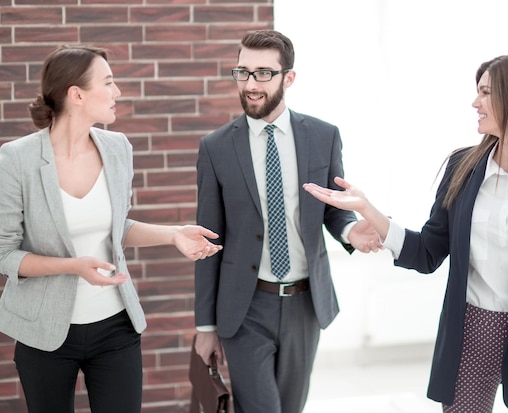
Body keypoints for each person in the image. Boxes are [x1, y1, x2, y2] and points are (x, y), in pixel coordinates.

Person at [303, 54, 508, 413]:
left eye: (486, 93)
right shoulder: (463, 167)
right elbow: (427, 252)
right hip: (472, 324)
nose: (475, 103)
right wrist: (369, 210)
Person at [0, 45, 222, 413]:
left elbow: (115, 227)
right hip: (44, 331)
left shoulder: (117, 148)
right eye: (109, 82)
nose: (117, 92)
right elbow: (4, 253)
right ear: (77, 94)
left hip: (115, 327)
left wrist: (173, 234)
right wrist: (72, 266)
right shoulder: (16, 159)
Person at [193, 29, 381, 413]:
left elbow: (333, 206)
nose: (250, 84)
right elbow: (206, 240)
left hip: (304, 304)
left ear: (288, 78)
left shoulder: (323, 136)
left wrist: (349, 229)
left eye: (263, 73)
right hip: (245, 306)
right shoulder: (216, 147)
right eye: (243, 72)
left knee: (291, 407)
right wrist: (205, 326)